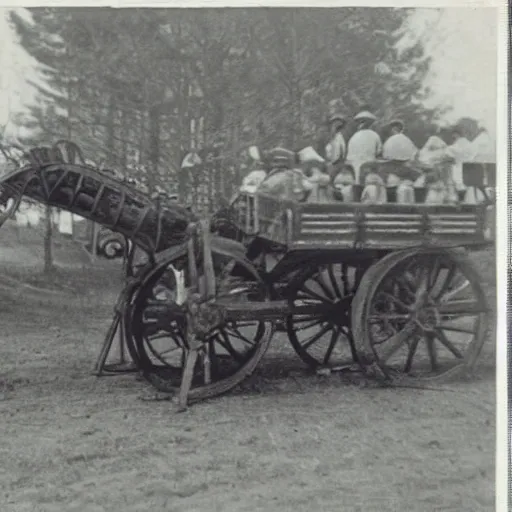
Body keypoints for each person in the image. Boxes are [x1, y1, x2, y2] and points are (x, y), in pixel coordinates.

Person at [346, 110, 382, 184]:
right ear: (370, 124)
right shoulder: (375, 135)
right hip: (369, 165)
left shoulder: (354, 136)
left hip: (354, 166)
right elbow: (379, 151)